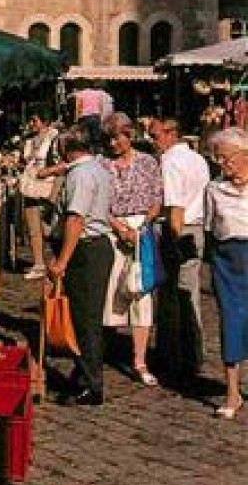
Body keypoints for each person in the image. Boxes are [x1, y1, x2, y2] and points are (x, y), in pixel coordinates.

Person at [48, 122, 115, 405]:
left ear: (68, 147)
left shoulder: (81, 175)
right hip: (94, 248)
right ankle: (83, 370)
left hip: (85, 250)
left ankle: (91, 383)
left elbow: (76, 219)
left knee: (85, 318)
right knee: (84, 315)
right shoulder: (97, 169)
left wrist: (62, 260)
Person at [99, 113, 164, 386]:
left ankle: (139, 360)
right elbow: (99, 203)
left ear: (129, 135)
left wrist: (140, 228)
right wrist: (118, 228)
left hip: (141, 230)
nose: (113, 143)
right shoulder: (102, 165)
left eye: (118, 137)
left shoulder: (148, 163)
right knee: (111, 291)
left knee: (142, 294)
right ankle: (105, 351)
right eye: (109, 138)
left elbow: (157, 199)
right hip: (113, 229)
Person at [152, 117, 211, 388]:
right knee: (190, 294)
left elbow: (175, 206)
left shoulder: (170, 161)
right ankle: (193, 354)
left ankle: (174, 358)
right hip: (197, 228)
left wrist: (173, 240)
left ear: (170, 134)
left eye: (155, 136)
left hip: (180, 228)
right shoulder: (198, 159)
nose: (153, 142)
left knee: (172, 296)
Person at [204, 127, 248, 419]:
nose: (223, 163)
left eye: (227, 158)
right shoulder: (214, 188)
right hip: (227, 262)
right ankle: (232, 393)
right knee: (231, 323)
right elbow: (210, 228)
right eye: (219, 158)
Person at [17, 112, 61, 279]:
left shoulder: (54, 138)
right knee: (33, 227)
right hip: (30, 186)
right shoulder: (29, 139)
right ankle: (38, 264)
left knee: (49, 229)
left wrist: (47, 172)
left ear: (45, 121)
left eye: (34, 120)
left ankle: (58, 260)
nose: (31, 123)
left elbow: (62, 164)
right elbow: (26, 161)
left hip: (47, 187)